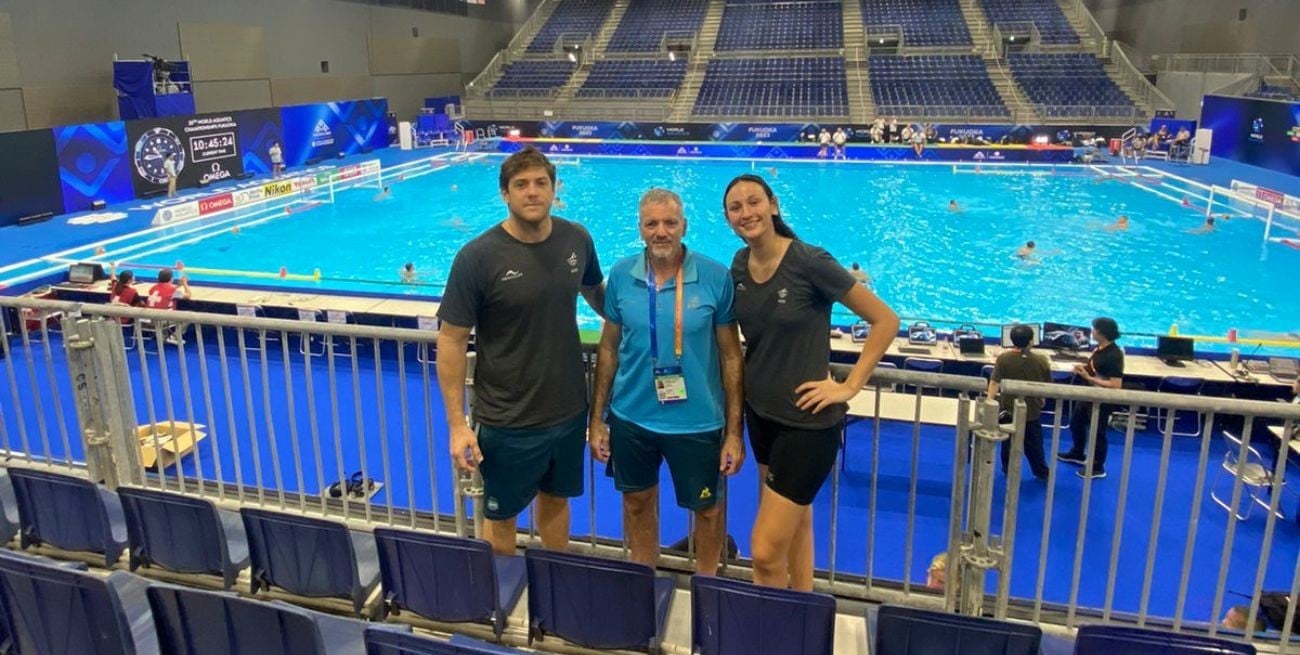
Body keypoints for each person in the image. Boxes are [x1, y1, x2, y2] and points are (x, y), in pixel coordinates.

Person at [723, 173, 899, 590]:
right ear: (728, 219)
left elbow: (885, 320)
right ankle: (802, 612)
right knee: (797, 523)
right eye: (736, 207)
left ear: (773, 205)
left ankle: (771, 631)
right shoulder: (738, 265)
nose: (746, 212)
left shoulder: (808, 261)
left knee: (765, 551)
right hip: (762, 416)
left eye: (753, 202)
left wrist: (850, 385)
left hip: (808, 424)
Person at [435, 146, 605, 556]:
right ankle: (503, 599)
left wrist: (643, 322)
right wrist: (457, 424)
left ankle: (556, 587)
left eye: (540, 183)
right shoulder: (478, 257)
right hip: (508, 418)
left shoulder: (576, 238)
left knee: (556, 502)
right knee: (502, 517)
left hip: (567, 411)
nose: (532, 192)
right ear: (505, 195)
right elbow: (452, 338)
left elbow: (597, 295)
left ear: (554, 189)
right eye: (521, 184)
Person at [588, 188, 744, 575]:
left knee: (707, 511)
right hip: (632, 418)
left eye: (669, 223)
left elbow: (730, 356)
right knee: (636, 503)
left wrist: (734, 432)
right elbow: (608, 349)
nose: (661, 231)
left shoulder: (713, 276)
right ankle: (644, 581)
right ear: (640, 228)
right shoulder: (622, 275)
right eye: (652, 223)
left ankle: (707, 585)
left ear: (684, 226)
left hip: (698, 421)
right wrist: (597, 419)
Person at [1058, 317, 1124, 479]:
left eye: (1094, 329)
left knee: (1098, 432)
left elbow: (1115, 384)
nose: (1091, 331)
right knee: (1076, 423)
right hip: (1089, 394)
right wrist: (1083, 370)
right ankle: (1078, 453)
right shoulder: (1098, 349)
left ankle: (1097, 466)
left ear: (1101, 333)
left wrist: (1088, 377)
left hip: (1102, 399)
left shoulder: (1114, 355)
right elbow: (1094, 368)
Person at [988, 324, 1052, 480]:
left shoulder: (1003, 359)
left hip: (1008, 409)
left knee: (1007, 441)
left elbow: (995, 382)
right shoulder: (1041, 360)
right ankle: (1041, 471)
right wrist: (1042, 399)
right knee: (1034, 443)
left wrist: (990, 401)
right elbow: (1047, 385)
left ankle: (1007, 467)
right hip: (1031, 410)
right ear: (1031, 341)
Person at [147, 268, 192, 345]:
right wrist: (185, 283)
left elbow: (165, 291)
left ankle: (162, 334)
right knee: (190, 315)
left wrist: (178, 285)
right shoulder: (171, 290)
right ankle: (175, 336)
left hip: (148, 320)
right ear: (171, 279)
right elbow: (188, 296)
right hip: (162, 320)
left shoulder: (153, 288)